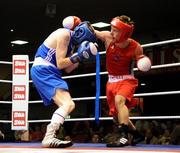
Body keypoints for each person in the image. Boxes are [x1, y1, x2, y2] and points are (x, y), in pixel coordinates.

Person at [30, 16, 98, 148]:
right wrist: (78, 55)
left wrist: (83, 56)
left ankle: (50, 136)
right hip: (44, 70)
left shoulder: (71, 42)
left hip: (50, 71)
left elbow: (68, 68)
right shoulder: (64, 33)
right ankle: (49, 137)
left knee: (69, 105)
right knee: (67, 104)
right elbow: (61, 63)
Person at [93, 15, 151, 147]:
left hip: (126, 80)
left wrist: (143, 62)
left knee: (120, 101)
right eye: (111, 29)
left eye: (115, 30)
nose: (111, 32)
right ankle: (137, 135)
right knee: (116, 117)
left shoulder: (135, 46)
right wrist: (80, 25)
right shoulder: (108, 37)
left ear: (124, 32)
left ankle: (123, 136)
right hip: (111, 81)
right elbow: (94, 32)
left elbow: (141, 61)